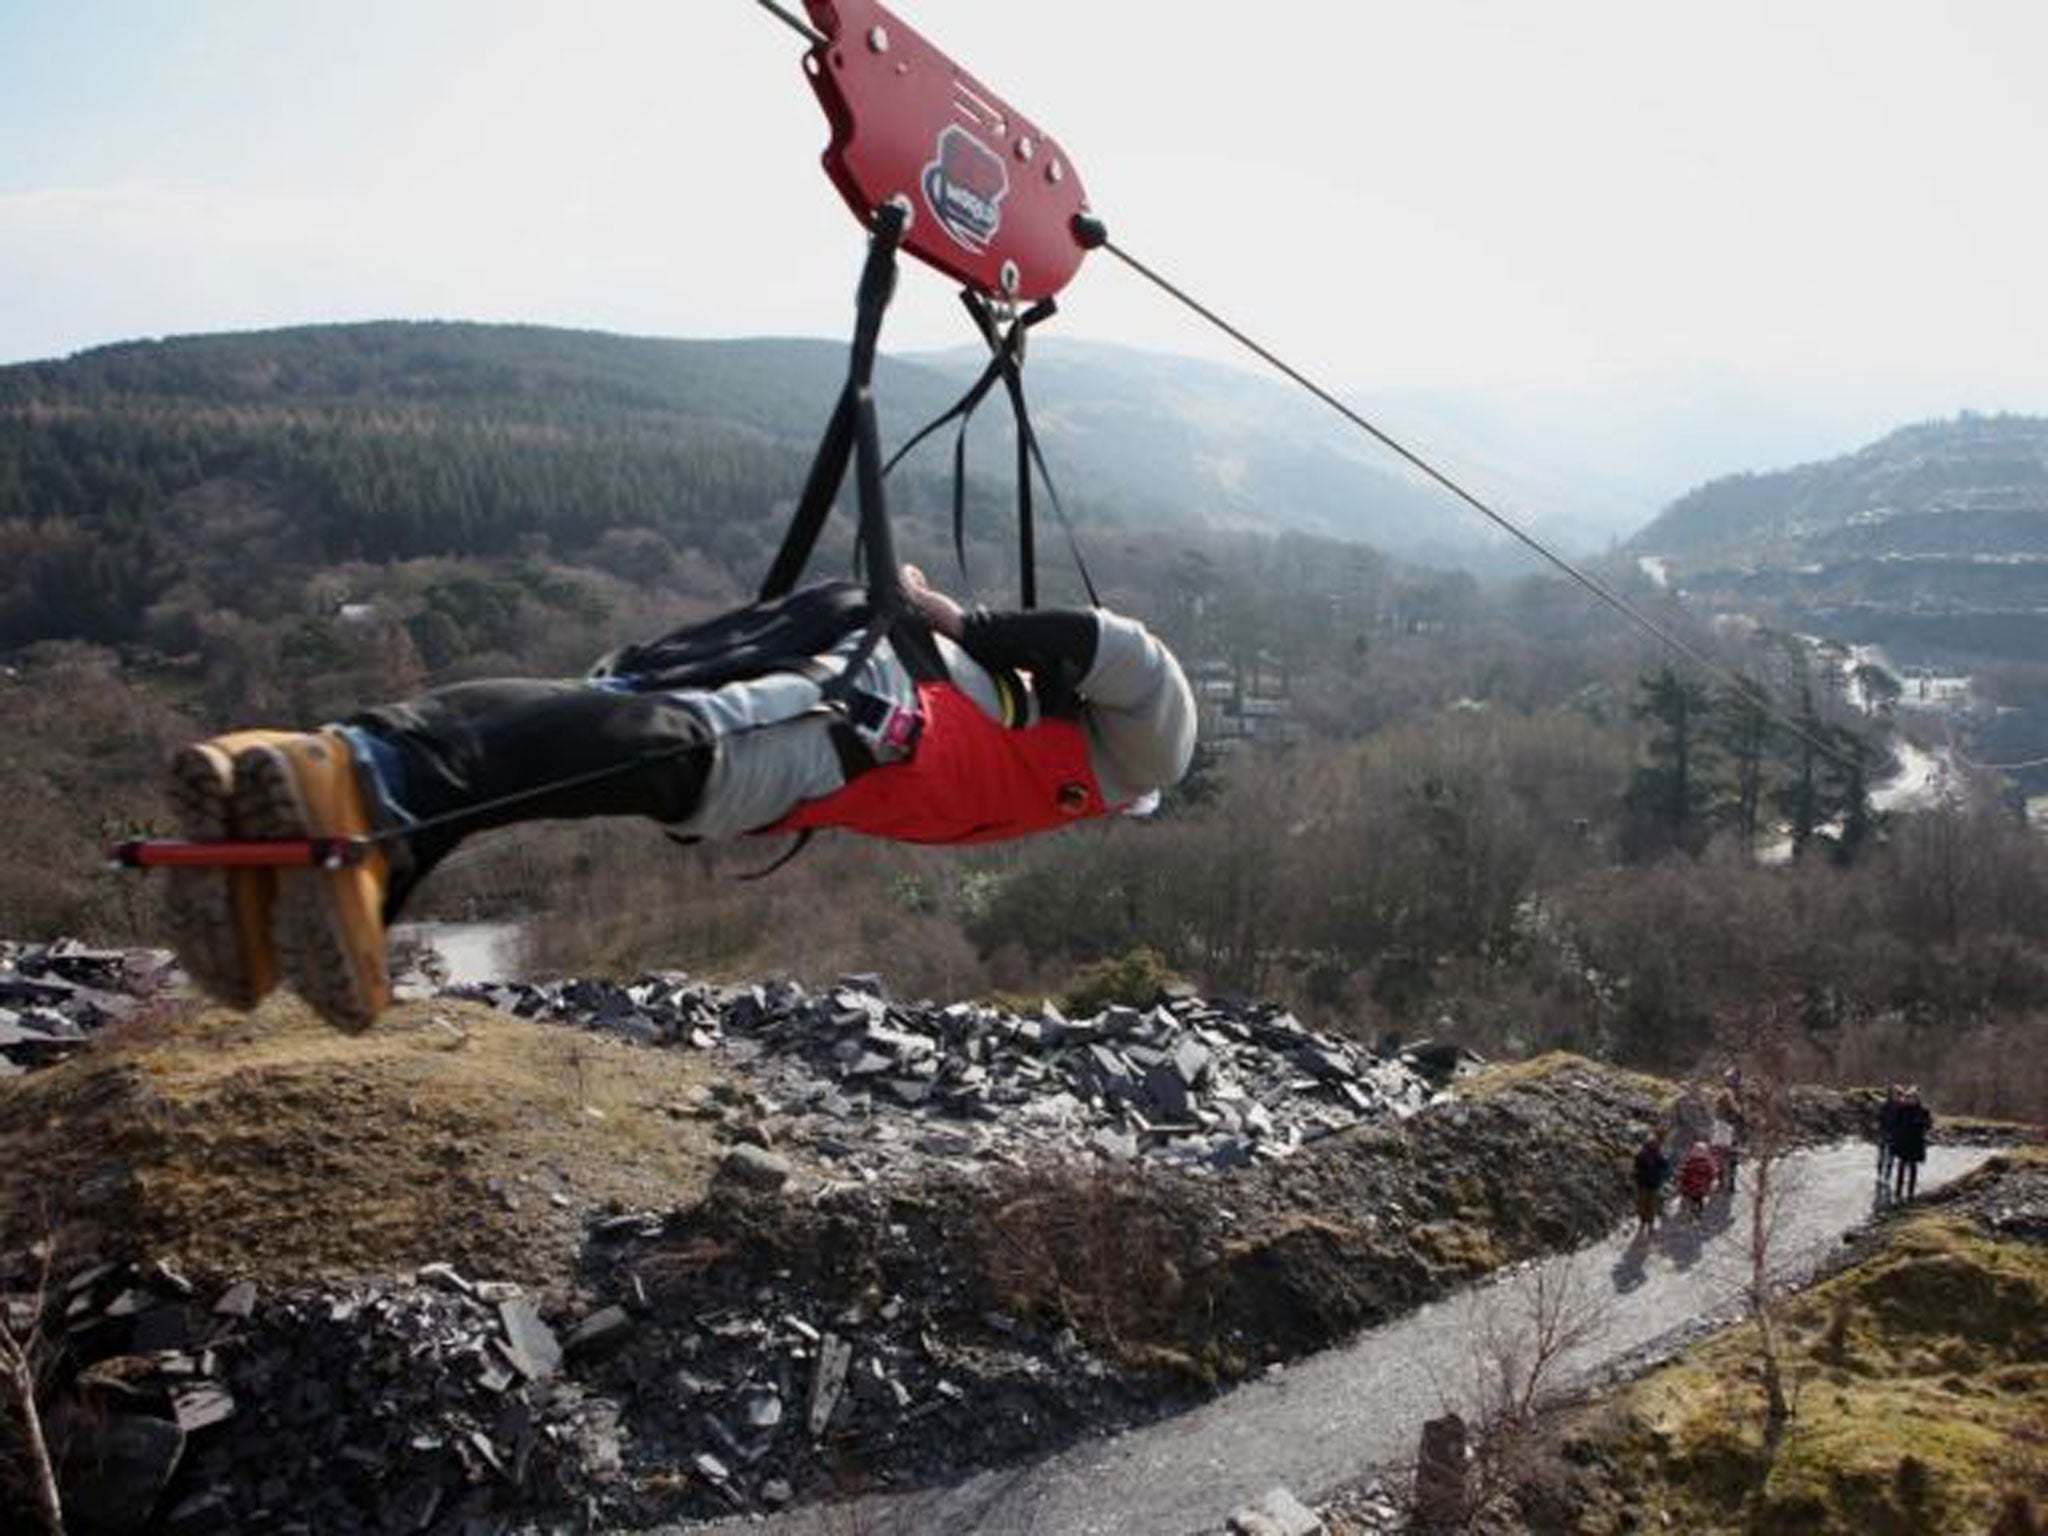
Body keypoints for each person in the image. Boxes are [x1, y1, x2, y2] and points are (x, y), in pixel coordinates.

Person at [163, 567, 1196, 1033]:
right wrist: (957, 616)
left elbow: (1088, 665)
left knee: (604, 719)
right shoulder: (1123, 762)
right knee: (673, 755)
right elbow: (1131, 654)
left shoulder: (1033, 736)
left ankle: (321, 844)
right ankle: (362, 785)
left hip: (856, 705)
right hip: (863, 715)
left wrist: (958, 630)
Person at [1889, 1085, 1933, 1201]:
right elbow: (1894, 1123)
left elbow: (1928, 1125)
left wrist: (1919, 1123)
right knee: (1901, 1166)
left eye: (1912, 1097)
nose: (1910, 1099)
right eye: (1908, 1097)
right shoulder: (1901, 1109)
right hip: (1903, 1142)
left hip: (1916, 1143)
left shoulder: (1923, 1110)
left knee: (1913, 1168)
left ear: (1917, 1099)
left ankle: (1910, 1192)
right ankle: (1898, 1191)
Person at [1632, 1128, 1671, 1236]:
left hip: (1647, 1184)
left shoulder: (1649, 1155)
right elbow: (1665, 1168)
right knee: (1649, 1204)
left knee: (1645, 1204)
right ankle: (1647, 1223)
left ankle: (1646, 1223)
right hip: (1650, 1183)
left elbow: (1636, 1168)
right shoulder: (1653, 1155)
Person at [1676, 1137, 1719, 1223]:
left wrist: (1681, 1179)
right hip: (1700, 1187)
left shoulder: (1691, 1160)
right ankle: (1696, 1215)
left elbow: (1684, 1170)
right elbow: (1712, 1173)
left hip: (1691, 1186)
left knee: (1692, 1199)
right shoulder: (1708, 1162)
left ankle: (1691, 1215)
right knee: (1698, 1200)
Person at [1875, 1083, 1902, 1190]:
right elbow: (1879, 1118)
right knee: (1882, 1156)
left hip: (1893, 1134)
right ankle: (1880, 1175)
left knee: (1890, 1157)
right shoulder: (1884, 1105)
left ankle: (1887, 1177)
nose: (1896, 1096)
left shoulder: (1900, 1107)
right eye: (1895, 1094)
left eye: (1897, 1094)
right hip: (1884, 1133)